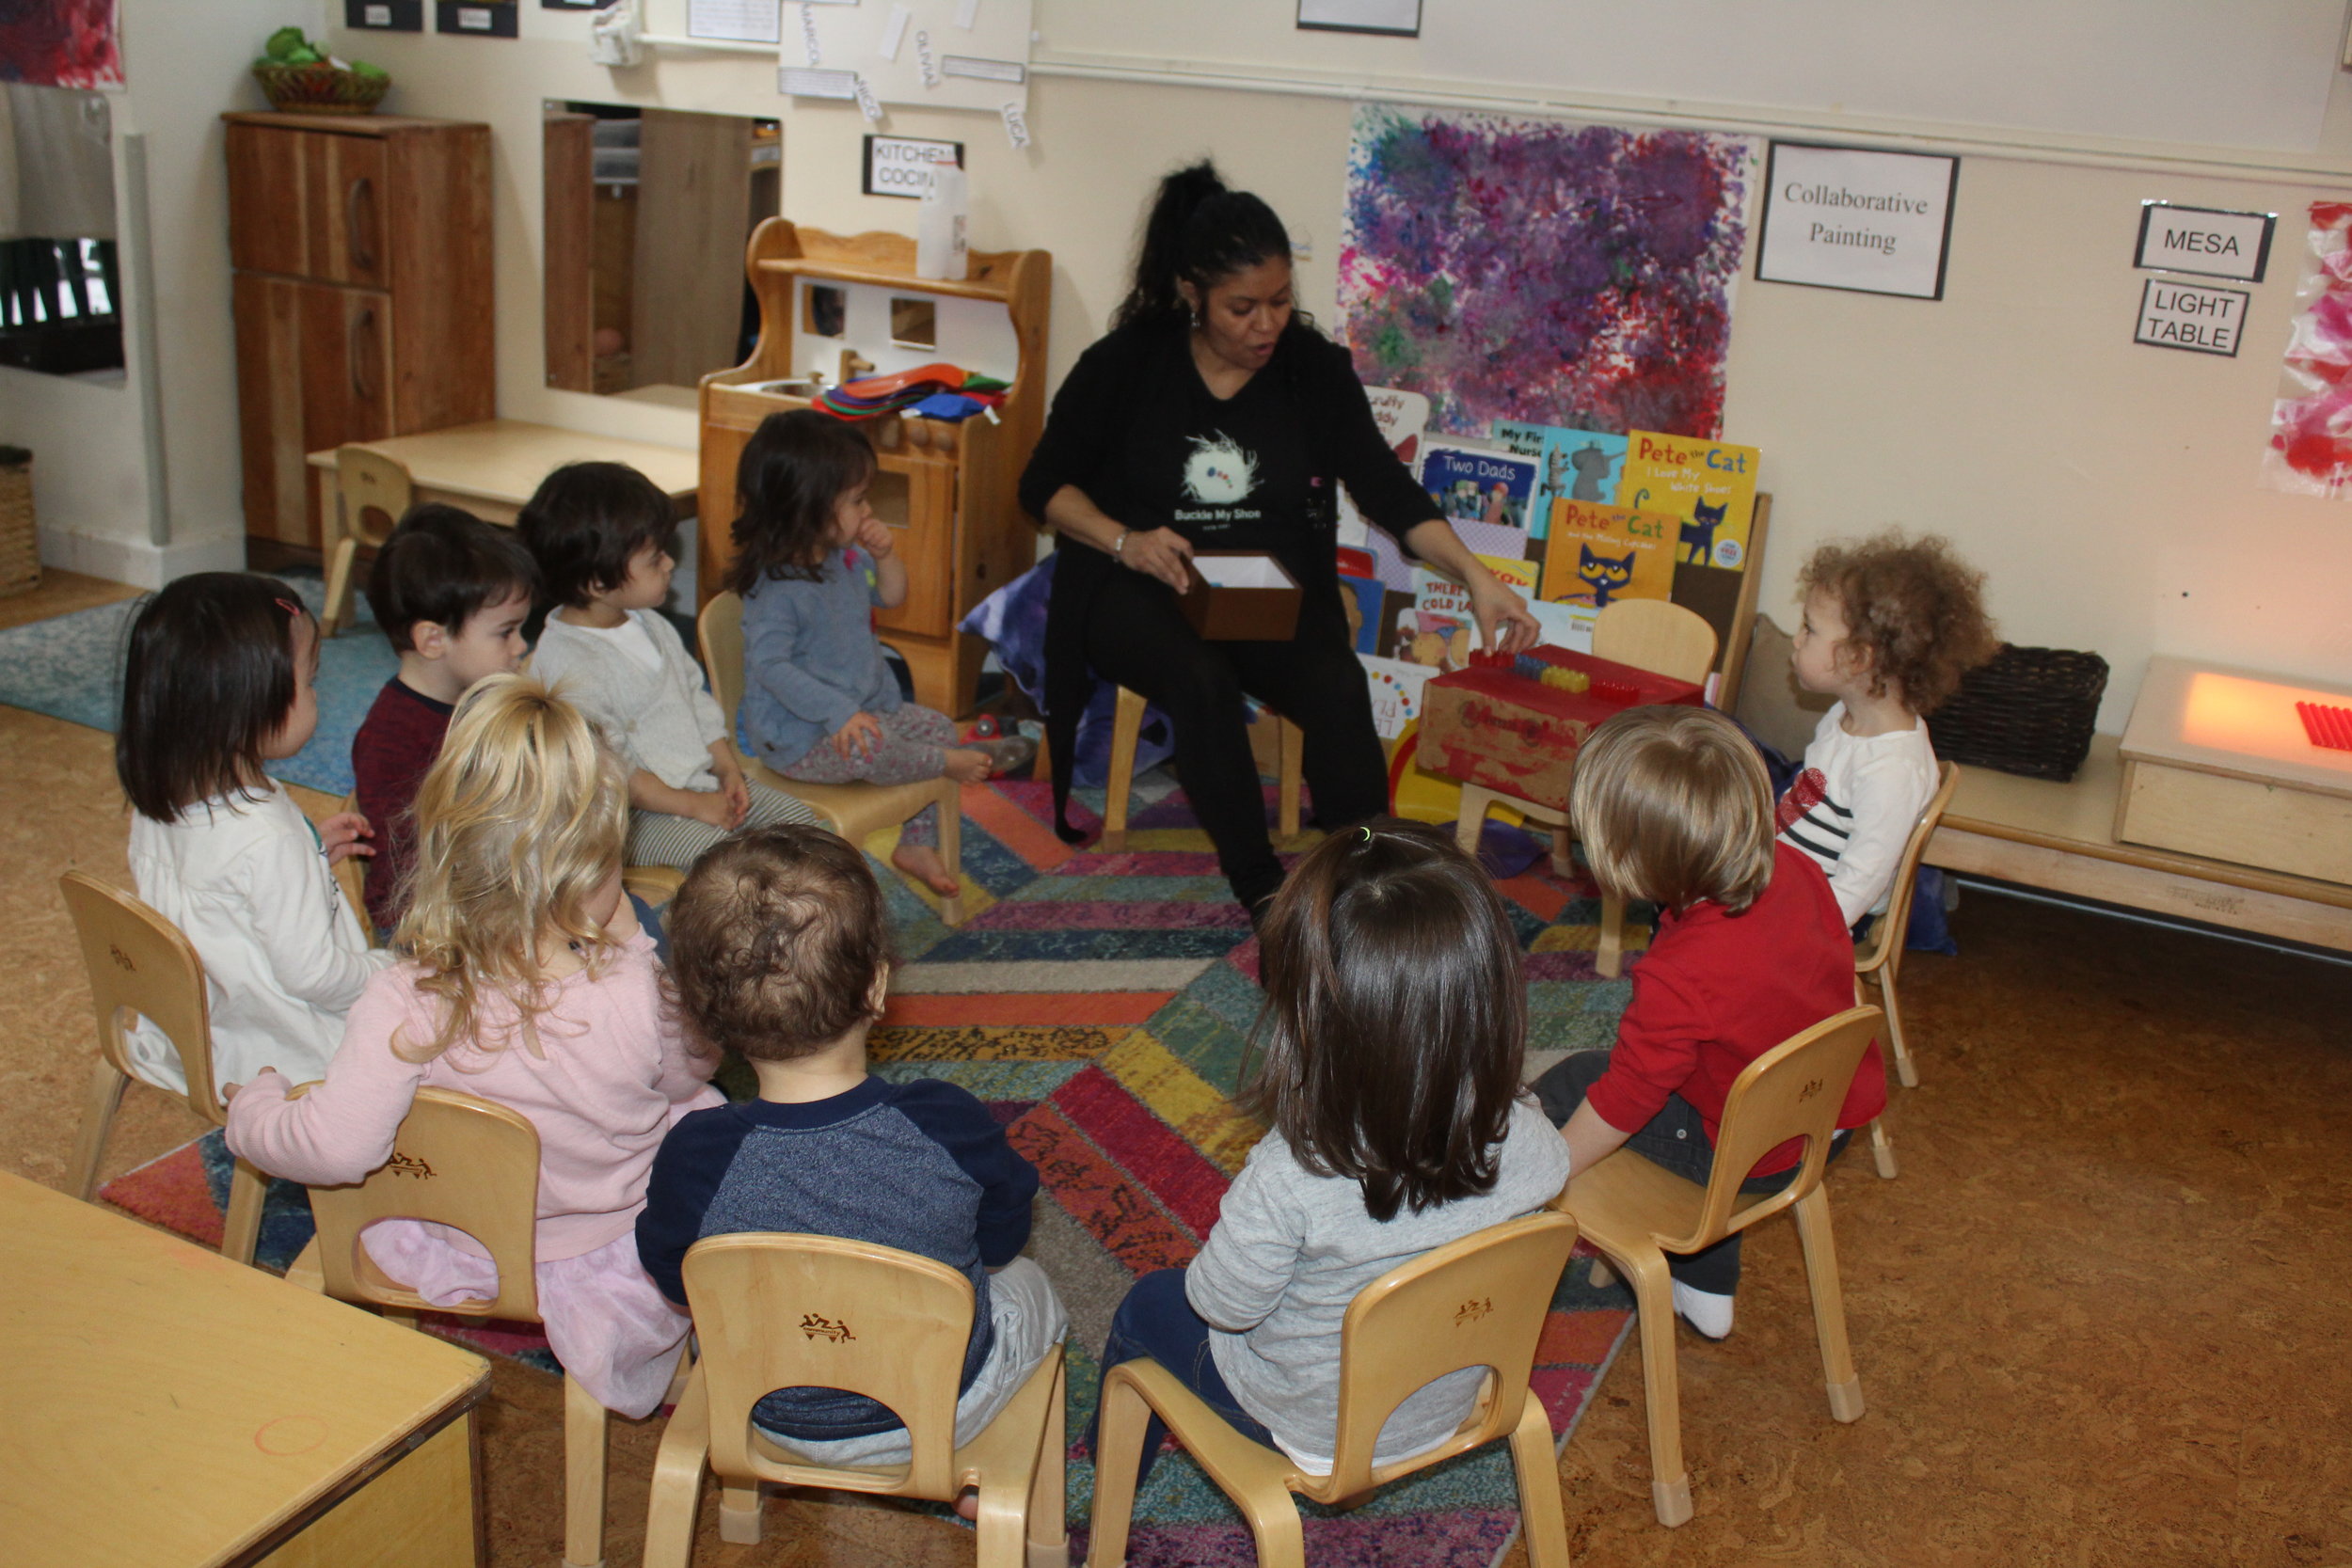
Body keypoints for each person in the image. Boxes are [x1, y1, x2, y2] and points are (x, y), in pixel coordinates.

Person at [1018, 161, 1539, 917]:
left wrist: (1478, 576)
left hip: (1261, 592)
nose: (1266, 325)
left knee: (1335, 683)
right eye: (1242, 307)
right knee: (1199, 681)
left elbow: (1386, 488)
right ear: (1192, 295)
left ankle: (1373, 883)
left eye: (1280, 301)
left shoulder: (1312, 372)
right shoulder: (1127, 365)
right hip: (1139, 584)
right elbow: (1042, 485)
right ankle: (1262, 891)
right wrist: (1124, 538)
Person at [225, 677, 722, 1418]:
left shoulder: (406, 995)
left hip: (464, 1239)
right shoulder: (633, 988)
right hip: (609, 1253)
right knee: (708, 1109)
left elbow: (334, 1148)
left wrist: (255, 1111)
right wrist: (641, 949)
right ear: (594, 866)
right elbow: (687, 1077)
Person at [1093, 820, 1569, 1482]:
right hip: (1452, 1392)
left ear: (1309, 1014)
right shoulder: (1535, 1139)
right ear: (1488, 995)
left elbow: (1222, 1304)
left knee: (1150, 1303)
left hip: (1315, 1427)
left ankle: (1102, 1478)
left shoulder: (1292, 1175)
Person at [639, 824, 1064, 1496]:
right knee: (1032, 1284)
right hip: (938, 1412)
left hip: (765, 1410)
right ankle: (990, 1491)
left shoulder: (694, 1152)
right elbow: (1003, 1234)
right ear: (877, 986)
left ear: (702, 1011)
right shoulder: (944, 1119)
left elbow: (674, 1273)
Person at [1531, 706, 1883, 1341]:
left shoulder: (1679, 976)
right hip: (1824, 1117)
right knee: (1701, 1078)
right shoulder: (1796, 869)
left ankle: (1505, 1207)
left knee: (1569, 1084)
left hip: (1752, 1155)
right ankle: (1706, 1284)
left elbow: (1624, 1100)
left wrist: (1550, 1165)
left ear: (1633, 860)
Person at [726, 411, 1031, 900]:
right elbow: (771, 667)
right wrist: (840, 712)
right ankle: (943, 763)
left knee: (933, 724)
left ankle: (915, 843)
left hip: (866, 713)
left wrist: (887, 556)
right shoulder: (777, 591)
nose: (868, 510)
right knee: (880, 749)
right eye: (856, 500)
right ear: (807, 508)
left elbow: (891, 596)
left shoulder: (843, 559)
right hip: (801, 739)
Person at [116, 573, 395, 1097]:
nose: (318, 697)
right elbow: (315, 977)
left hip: (196, 1034)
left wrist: (306, 859)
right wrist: (392, 970)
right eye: (310, 682)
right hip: (287, 1061)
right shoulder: (266, 835)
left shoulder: (158, 797)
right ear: (249, 702)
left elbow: (220, 897)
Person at [519, 460, 820, 871]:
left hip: (699, 782)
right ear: (598, 583)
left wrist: (728, 770)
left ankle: (809, 926)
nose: (669, 564)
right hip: (631, 817)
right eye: (654, 558)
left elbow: (695, 700)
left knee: (806, 830)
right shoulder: (567, 665)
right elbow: (614, 773)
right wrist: (695, 805)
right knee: (733, 866)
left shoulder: (652, 623)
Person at [1777, 530, 1998, 928]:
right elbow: (1801, 803)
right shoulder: (1842, 717)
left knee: (1705, 935)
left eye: (1810, 629)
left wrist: (1794, 934)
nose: (1796, 639)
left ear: (1858, 659)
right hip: (1787, 881)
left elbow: (1861, 884)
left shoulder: (1891, 770)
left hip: (1823, 915)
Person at [350, 503, 536, 933]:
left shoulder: (481, 700)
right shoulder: (390, 740)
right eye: (506, 632)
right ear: (434, 639)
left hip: (491, 892)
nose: (521, 646)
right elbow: (405, 875)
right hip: (429, 922)